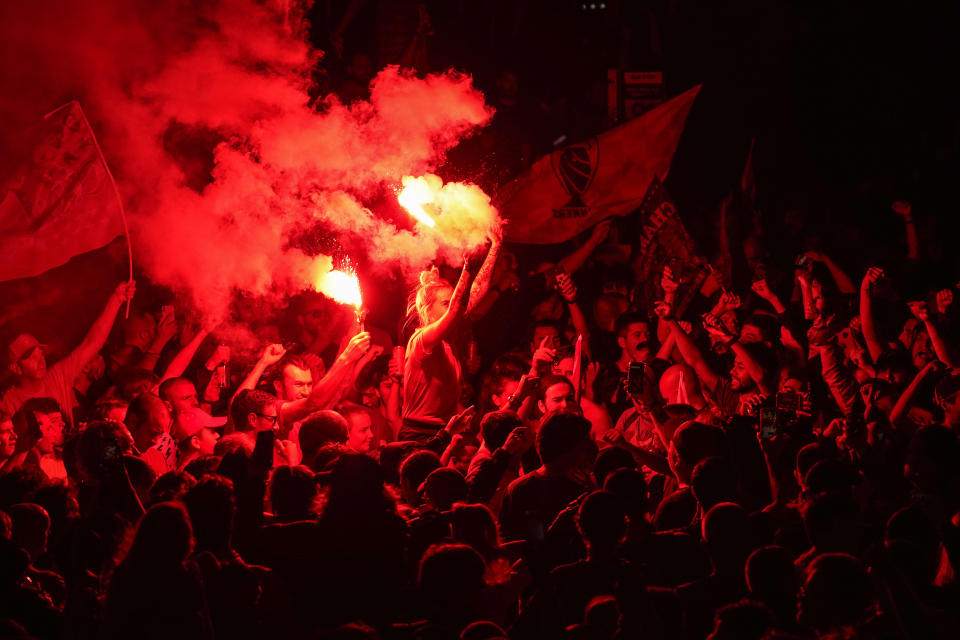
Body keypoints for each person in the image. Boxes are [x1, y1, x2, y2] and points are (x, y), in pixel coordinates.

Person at [402, 231, 501, 442]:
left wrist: (495, 247)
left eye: (450, 302)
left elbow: (473, 294)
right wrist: (467, 268)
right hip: (418, 435)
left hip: (442, 431)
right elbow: (458, 306)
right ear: (427, 310)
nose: (452, 309)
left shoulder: (448, 344)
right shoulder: (422, 339)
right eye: (444, 304)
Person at [2, 281, 136, 427]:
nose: (40, 359)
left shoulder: (57, 376)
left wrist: (116, 299)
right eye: (30, 355)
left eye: (40, 352)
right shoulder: (8, 402)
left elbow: (91, 343)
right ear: (16, 368)